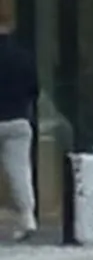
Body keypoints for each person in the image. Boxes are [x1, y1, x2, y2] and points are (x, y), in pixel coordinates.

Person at [0, 30, 36, 242]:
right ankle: (28, 218)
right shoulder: (23, 57)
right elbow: (34, 89)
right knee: (19, 172)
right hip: (18, 120)